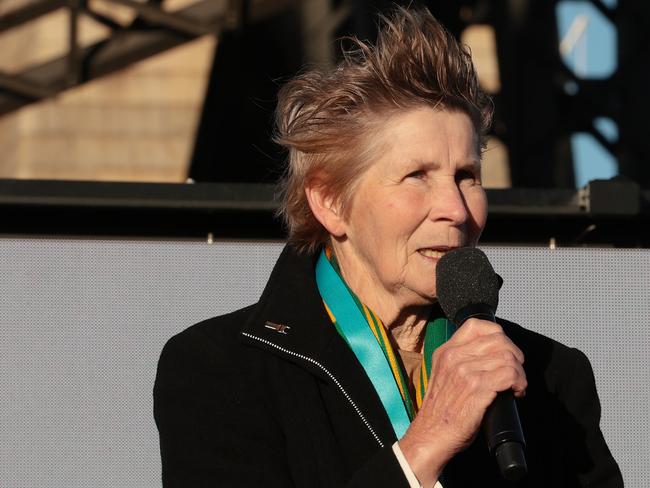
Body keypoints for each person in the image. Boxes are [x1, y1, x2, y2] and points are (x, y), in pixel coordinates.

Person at [154, 7, 622, 487]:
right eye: (416, 176)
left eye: (467, 177)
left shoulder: (552, 378)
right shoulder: (219, 370)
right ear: (331, 201)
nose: (456, 210)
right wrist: (425, 446)